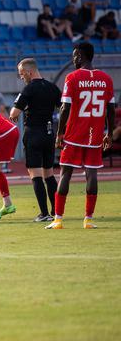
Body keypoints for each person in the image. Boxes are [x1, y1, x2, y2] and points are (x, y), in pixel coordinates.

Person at [47, 42, 115, 230]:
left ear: (80, 56)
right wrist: (109, 132)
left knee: (65, 174)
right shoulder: (106, 79)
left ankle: (58, 219)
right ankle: (88, 219)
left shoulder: (72, 78)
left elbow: (65, 107)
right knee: (91, 174)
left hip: (74, 135)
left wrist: (60, 133)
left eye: (74, 55)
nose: (73, 58)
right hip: (95, 135)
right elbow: (111, 109)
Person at [9, 58, 61, 221]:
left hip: (33, 133)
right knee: (49, 174)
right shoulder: (53, 88)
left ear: (29, 72)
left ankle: (44, 213)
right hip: (49, 133)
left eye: (22, 74)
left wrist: (19, 110)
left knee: (35, 174)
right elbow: (64, 109)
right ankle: (56, 212)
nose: (21, 77)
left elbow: (14, 114)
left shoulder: (28, 89)